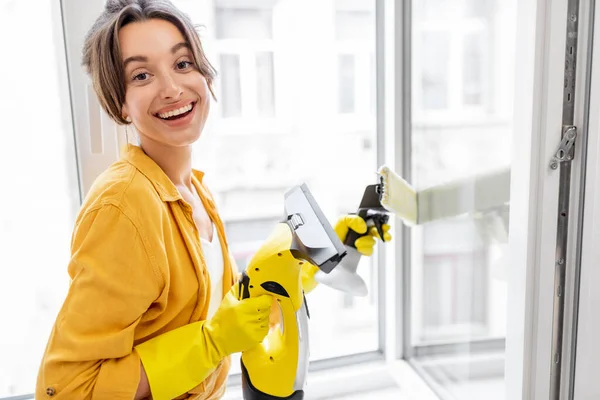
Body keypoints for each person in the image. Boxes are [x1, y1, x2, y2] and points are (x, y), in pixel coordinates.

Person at [35, 1, 391, 399]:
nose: (171, 88)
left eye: (183, 63)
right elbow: (67, 389)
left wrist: (313, 258)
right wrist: (210, 343)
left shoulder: (191, 191)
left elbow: (233, 315)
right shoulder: (124, 206)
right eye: (141, 75)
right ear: (119, 102)